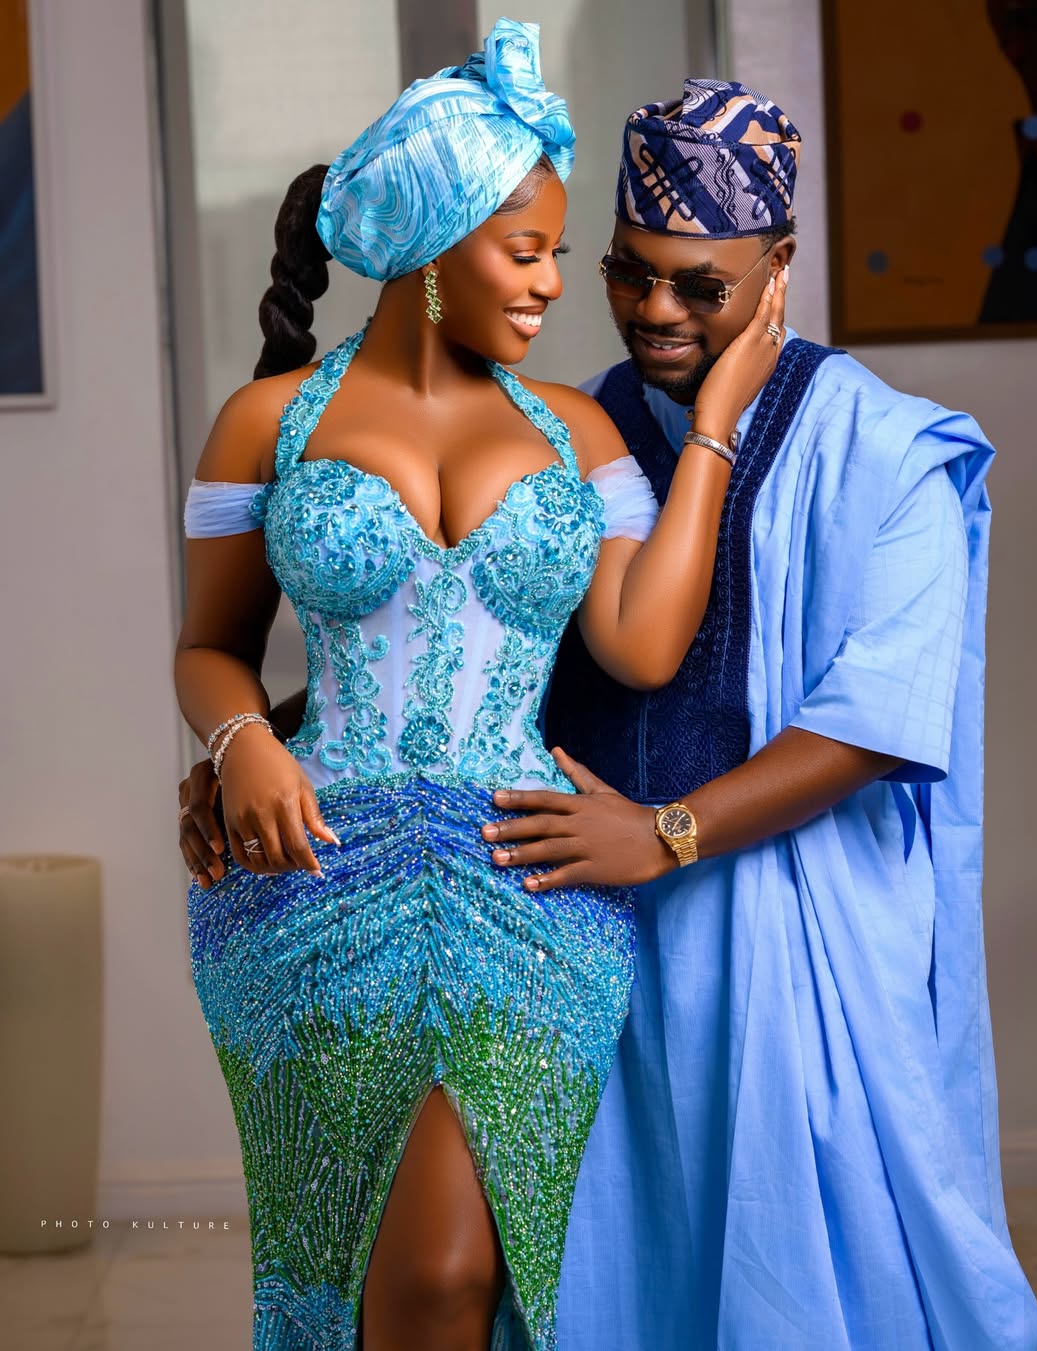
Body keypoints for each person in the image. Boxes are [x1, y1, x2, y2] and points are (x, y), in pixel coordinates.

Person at [174, 25, 787, 1351]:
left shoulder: (584, 431)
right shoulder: (265, 419)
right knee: (341, 1265)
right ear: (434, 244)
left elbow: (643, 646)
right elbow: (209, 644)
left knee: (468, 1274)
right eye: (527, 251)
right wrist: (240, 744)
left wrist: (719, 424)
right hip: (310, 877)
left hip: (528, 888)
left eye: (562, 252)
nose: (558, 284)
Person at [491, 83, 1037, 1349]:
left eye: (704, 287)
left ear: (781, 265)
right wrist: (245, 742)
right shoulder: (559, 437)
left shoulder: (892, 454)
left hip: (790, 943)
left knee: (799, 1281)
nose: (656, 313)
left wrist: (667, 834)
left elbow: (875, 719)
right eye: (630, 276)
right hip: (574, 929)